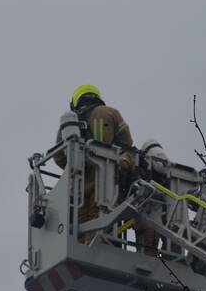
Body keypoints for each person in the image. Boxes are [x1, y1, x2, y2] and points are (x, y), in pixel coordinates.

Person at [55, 84, 157, 249]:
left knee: (80, 229)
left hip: (77, 188)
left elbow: (59, 157)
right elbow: (127, 145)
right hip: (105, 183)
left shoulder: (68, 123)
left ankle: (83, 253)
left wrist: (78, 167)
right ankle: (100, 249)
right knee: (100, 223)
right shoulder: (111, 113)